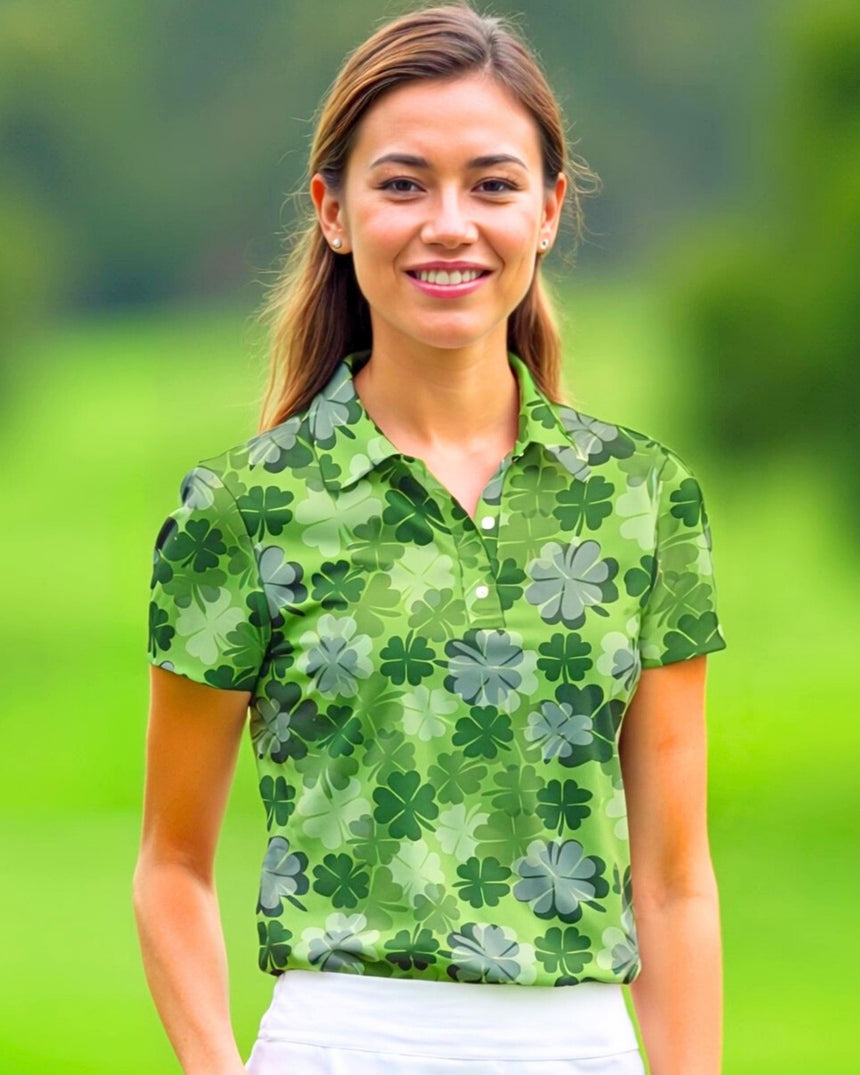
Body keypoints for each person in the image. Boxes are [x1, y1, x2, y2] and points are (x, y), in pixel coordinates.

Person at [133, 3, 727, 1073]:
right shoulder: (241, 509)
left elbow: (675, 876)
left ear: (546, 211)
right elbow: (171, 864)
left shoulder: (639, 499)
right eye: (402, 183)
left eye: (491, 184)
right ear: (332, 210)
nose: (448, 223)